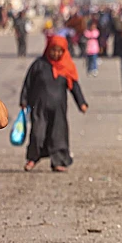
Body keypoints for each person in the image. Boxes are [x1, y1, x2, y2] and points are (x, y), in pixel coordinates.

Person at [20, 36, 88, 172]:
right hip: (39, 108)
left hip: (58, 109)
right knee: (37, 133)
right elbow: (28, 83)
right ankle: (32, 159)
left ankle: (58, 162)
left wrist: (81, 103)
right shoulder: (39, 64)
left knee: (58, 135)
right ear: (48, 49)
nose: (56, 54)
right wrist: (24, 100)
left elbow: (74, 86)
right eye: (53, 50)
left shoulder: (67, 67)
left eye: (59, 51)